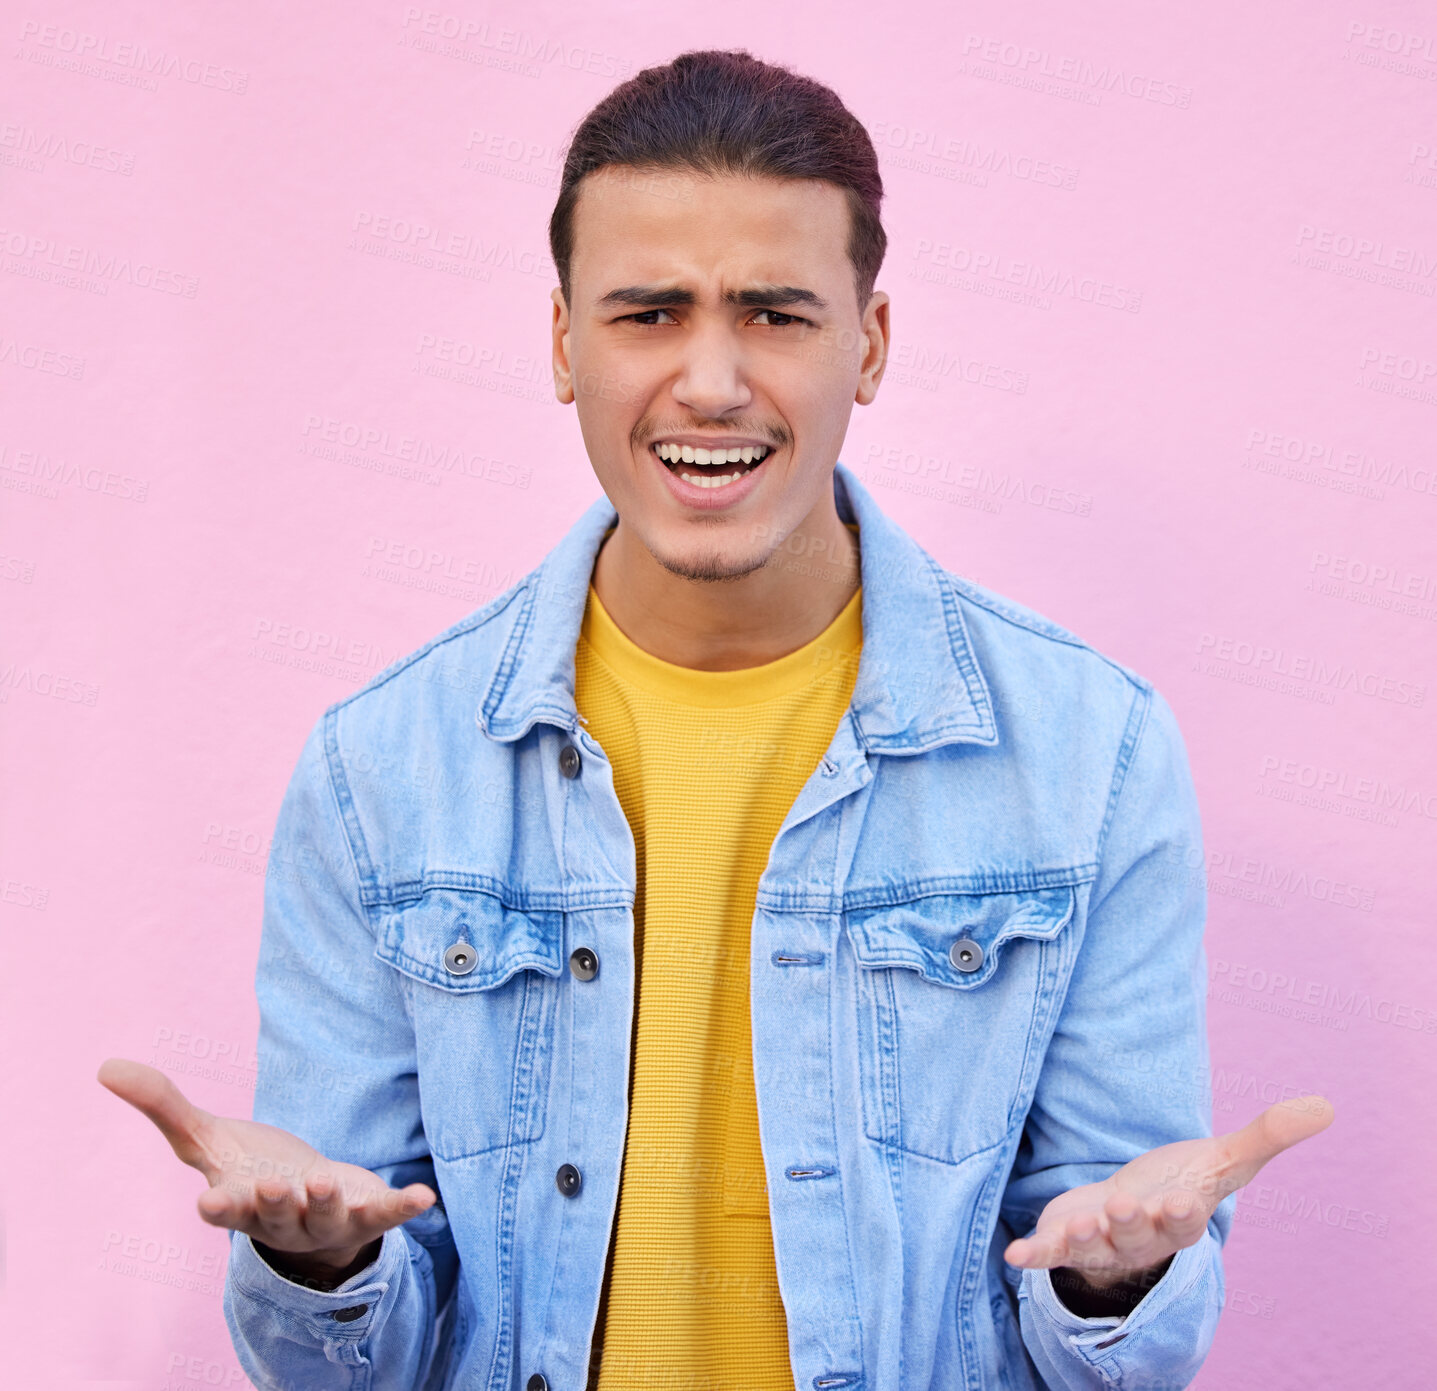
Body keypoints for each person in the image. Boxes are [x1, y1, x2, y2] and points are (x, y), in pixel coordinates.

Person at [98, 48, 1333, 1391]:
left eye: (773, 314)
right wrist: (318, 1264)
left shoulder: (1090, 755)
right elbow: (351, 1367)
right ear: (563, 343)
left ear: (867, 344)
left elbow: (1117, 1353)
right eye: (647, 313)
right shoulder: (379, 771)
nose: (710, 382)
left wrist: (1119, 1276)